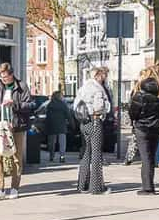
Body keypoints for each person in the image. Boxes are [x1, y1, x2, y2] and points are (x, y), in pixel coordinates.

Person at [0, 63, 34, 201]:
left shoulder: (22, 87)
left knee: (16, 157)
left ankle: (14, 188)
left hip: (16, 126)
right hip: (0, 126)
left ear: (11, 74)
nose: (4, 80)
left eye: (6, 77)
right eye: (1, 77)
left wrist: (14, 104)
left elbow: (31, 105)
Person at [129, 65, 159, 195]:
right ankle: (150, 184)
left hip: (142, 128)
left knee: (145, 157)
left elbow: (133, 113)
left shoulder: (139, 95)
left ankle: (147, 187)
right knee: (151, 157)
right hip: (156, 127)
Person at [75, 67, 112, 195]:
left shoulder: (83, 87)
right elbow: (99, 106)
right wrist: (105, 110)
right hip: (95, 121)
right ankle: (96, 188)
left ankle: (82, 185)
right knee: (96, 155)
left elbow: (75, 105)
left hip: (83, 123)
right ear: (99, 75)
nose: (105, 78)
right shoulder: (97, 89)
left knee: (86, 153)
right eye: (105, 75)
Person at [45, 90, 70, 163]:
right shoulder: (63, 105)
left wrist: (46, 125)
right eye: (62, 95)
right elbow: (68, 115)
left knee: (52, 142)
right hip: (61, 126)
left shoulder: (50, 105)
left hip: (51, 126)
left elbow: (47, 116)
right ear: (59, 96)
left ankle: (51, 156)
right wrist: (72, 123)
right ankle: (62, 156)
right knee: (62, 142)